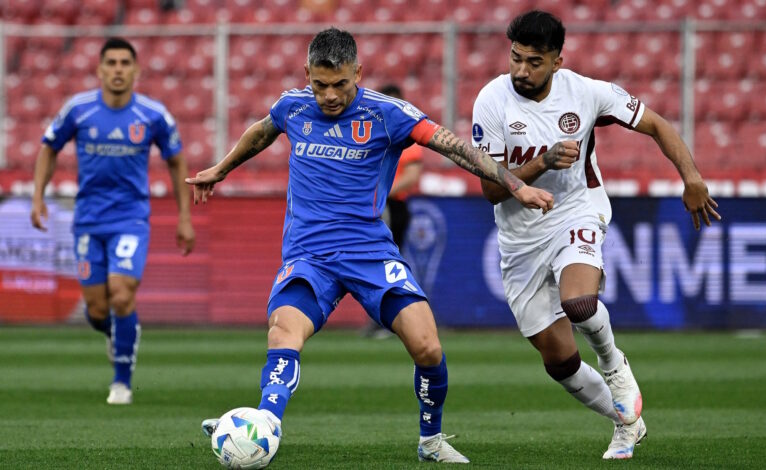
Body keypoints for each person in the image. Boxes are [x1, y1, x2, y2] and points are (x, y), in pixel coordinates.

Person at [191, 27, 553, 464]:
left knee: (427, 347)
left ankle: (431, 440)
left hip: (369, 252)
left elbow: (455, 147)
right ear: (307, 74)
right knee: (283, 332)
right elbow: (262, 131)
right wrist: (221, 168)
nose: (328, 96)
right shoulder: (292, 106)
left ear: (358, 73)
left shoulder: (387, 114)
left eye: (340, 84)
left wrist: (514, 184)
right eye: (319, 84)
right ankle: (266, 422)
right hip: (309, 255)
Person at [474, 11, 720, 460]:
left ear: (557, 61)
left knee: (580, 303)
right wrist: (540, 164)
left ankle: (614, 366)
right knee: (560, 362)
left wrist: (692, 178)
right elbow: (491, 189)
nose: (521, 71)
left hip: (575, 209)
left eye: (533, 61)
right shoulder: (491, 101)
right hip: (519, 238)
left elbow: (657, 125)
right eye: (515, 59)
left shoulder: (586, 93)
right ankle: (628, 423)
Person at [31, 37, 195, 405]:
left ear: (136, 70)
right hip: (88, 219)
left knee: (121, 295)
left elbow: (177, 160)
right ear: (100, 69)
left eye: (125, 63)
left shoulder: (153, 115)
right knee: (97, 308)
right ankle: (121, 333)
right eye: (112, 63)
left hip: (130, 218)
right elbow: (48, 147)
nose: (118, 69)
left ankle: (121, 381)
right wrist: (38, 196)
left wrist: (185, 217)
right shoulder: (78, 109)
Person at [360, 83, 424, 339]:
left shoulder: (405, 134)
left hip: (393, 206)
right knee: (378, 266)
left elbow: (412, 176)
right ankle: (385, 318)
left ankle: (396, 319)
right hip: (378, 206)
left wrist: (380, 193)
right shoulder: (373, 134)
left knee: (388, 266)